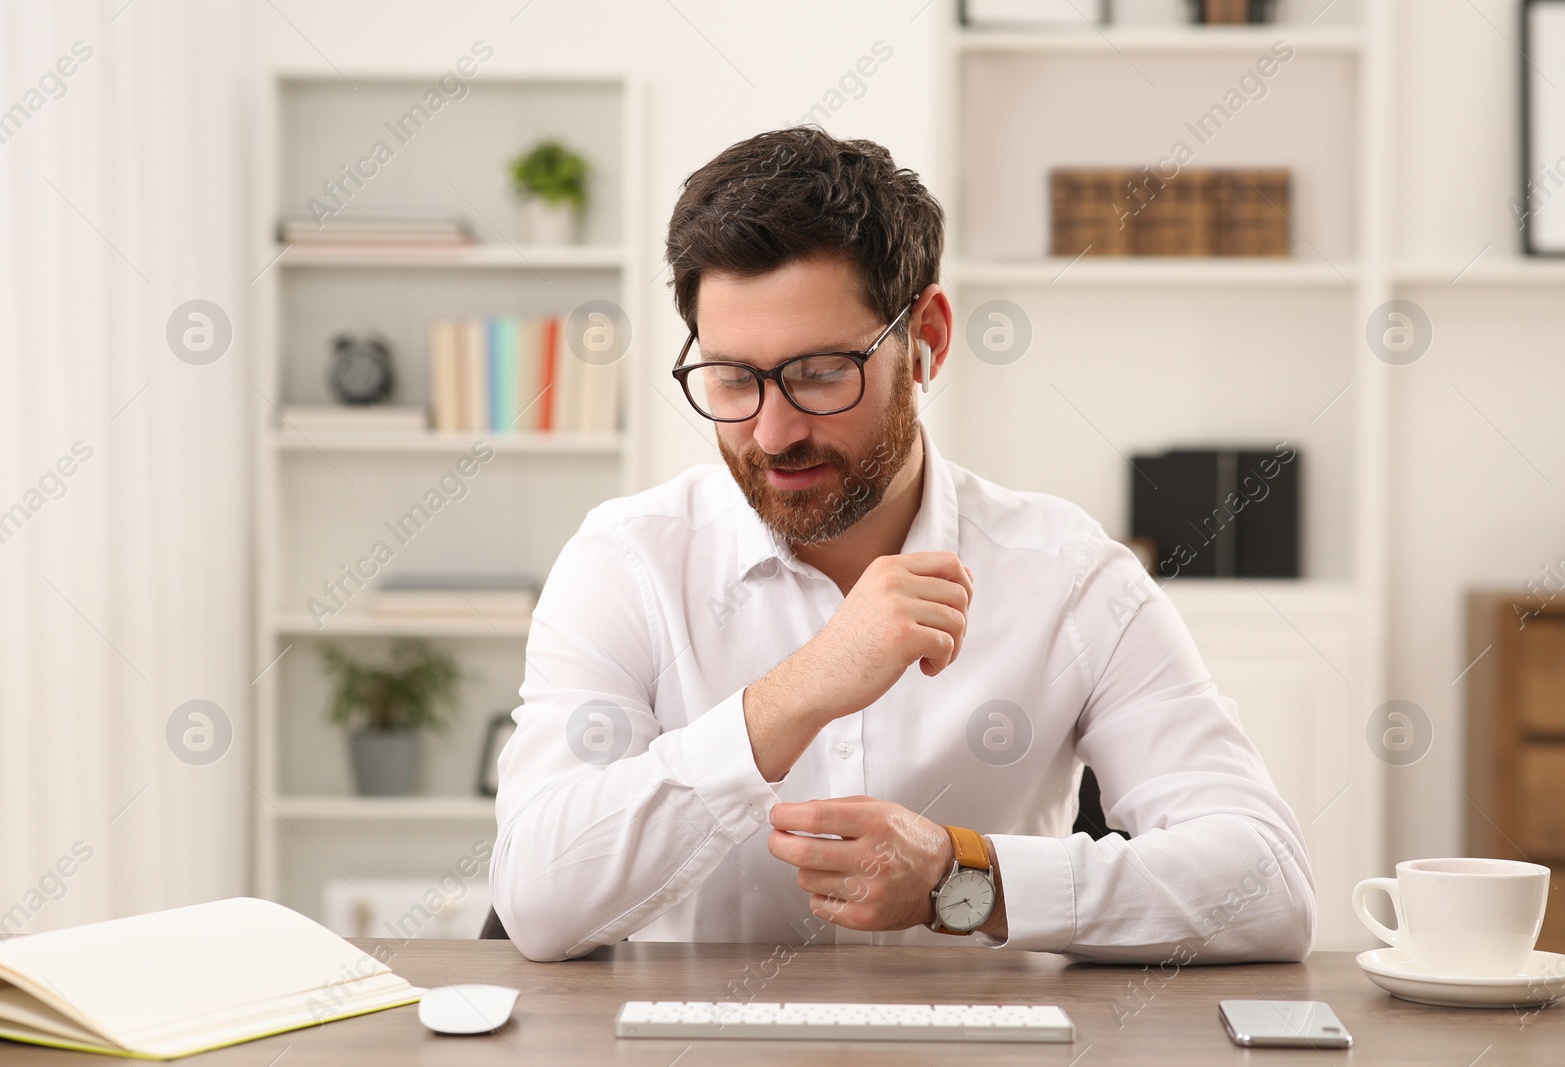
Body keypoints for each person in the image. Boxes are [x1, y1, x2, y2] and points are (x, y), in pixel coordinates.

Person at [490, 126, 1315, 965]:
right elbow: (536, 904)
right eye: (734, 378)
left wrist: (964, 880)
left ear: (928, 338)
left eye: (818, 372)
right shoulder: (628, 563)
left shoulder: (1070, 577)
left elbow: (1270, 884)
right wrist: (795, 693)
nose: (773, 433)